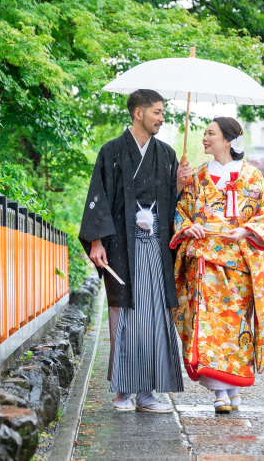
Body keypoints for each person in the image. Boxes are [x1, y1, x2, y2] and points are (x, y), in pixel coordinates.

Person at [79, 89, 191, 413]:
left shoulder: (167, 154)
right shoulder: (112, 151)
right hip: (121, 249)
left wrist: (180, 185)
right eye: (157, 111)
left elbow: (173, 204)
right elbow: (97, 196)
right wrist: (96, 241)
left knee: (155, 317)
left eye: (163, 112)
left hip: (155, 246)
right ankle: (123, 392)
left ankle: (147, 393)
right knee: (124, 316)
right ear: (138, 113)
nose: (162, 117)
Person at [171, 117, 264, 413]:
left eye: (211, 133)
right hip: (205, 262)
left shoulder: (252, 176)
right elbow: (180, 212)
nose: (204, 138)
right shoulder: (196, 176)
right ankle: (219, 392)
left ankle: (233, 386)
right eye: (204, 133)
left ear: (228, 140)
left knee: (236, 326)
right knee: (207, 325)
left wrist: (245, 230)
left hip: (239, 262)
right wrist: (188, 227)